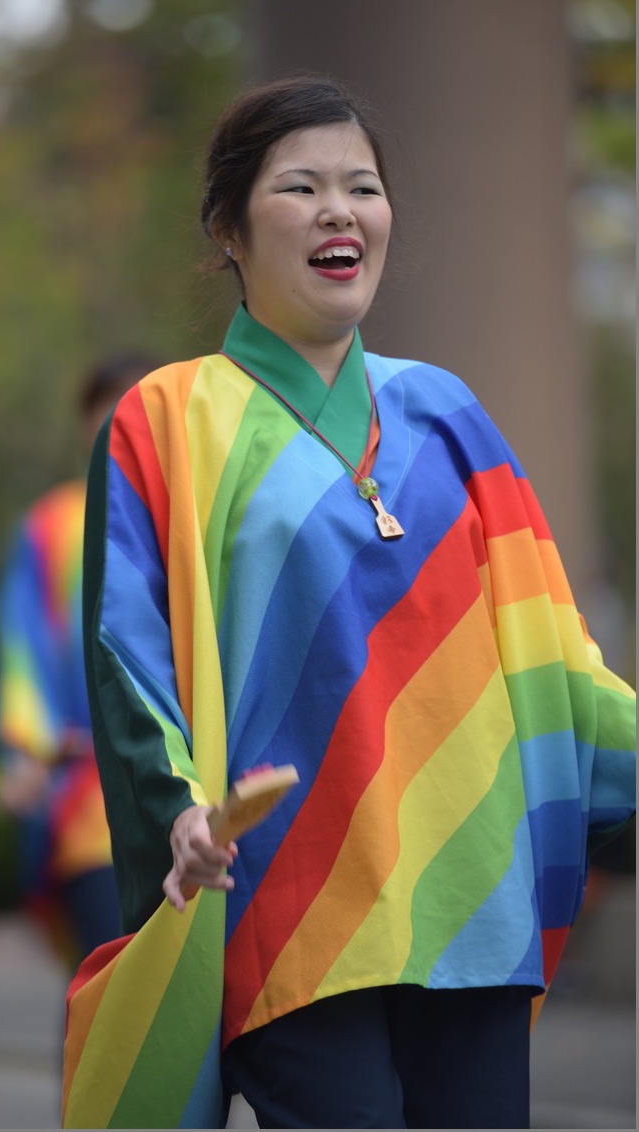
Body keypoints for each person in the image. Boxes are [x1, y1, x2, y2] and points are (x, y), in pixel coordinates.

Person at [63, 75, 636, 1129]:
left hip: (473, 903)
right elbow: (123, 648)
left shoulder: (449, 411)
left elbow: (554, 660)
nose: (338, 210)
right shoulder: (167, 419)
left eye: (360, 186)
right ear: (229, 231)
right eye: (300, 187)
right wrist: (178, 809)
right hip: (291, 906)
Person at [0, 356, 154, 968]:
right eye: (107, 412)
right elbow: (23, 648)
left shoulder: (194, 517)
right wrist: (28, 755)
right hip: (90, 797)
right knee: (109, 978)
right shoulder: (51, 528)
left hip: (195, 795)